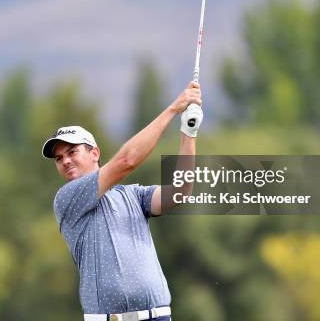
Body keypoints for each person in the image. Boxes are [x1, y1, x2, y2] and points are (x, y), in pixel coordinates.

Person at [42, 81, 203, 321]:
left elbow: (180, 192)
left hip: (157, 317)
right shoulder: (67, 199)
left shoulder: (133, 196)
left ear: (94, 152)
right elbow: (127, 161)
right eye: (58, 158)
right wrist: (173, 109)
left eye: (72, 152)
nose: (65, 161)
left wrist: (188, 133)